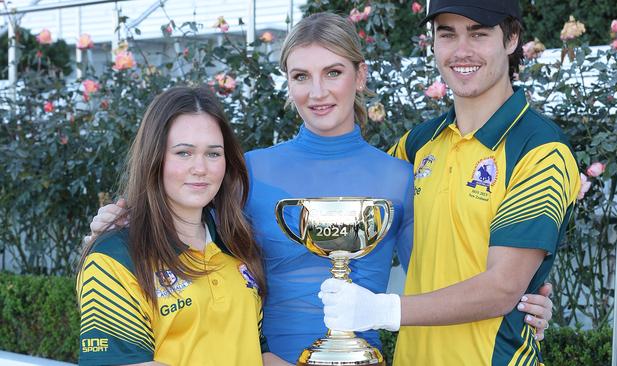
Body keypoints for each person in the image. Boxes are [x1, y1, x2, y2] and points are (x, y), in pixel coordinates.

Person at [86, 12, 554, 365]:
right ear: (287, 84)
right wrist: (120, 219)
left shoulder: (398, 172)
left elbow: (436, 273)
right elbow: (181, 223)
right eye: (301, 76)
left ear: (360, 75)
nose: (318, 92)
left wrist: (525, 297)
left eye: (333, 72)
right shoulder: (246, 172)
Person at [319, 1, 580, 365]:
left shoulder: (540, 150)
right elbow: (341, 214)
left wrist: (383, 310)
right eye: (448, 34)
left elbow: (502, 288)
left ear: (511, 38)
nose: (461, 51)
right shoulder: (416, 145)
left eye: (478, 33)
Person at [76, 86, 270, 365]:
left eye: (213, 153)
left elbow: (256, 352)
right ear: (154, 158)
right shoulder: (114, 258)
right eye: (183, 153)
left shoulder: (236, 244)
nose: (200, 167)